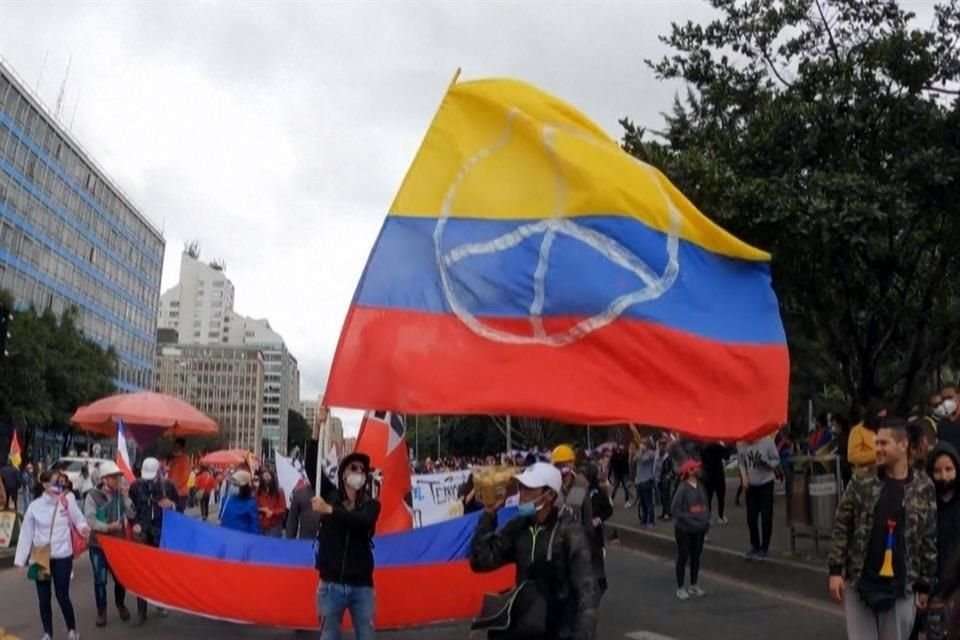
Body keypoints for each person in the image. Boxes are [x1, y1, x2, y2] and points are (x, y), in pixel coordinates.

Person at [828, 418, 938, 640]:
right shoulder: (862, 481)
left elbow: (928, 537)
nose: (877, 448)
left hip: (901, 588)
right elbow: (842, 524)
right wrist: (835, 571)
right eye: (876, 443)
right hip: (861, 584)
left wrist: (925, 584)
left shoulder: (923, 486)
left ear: (903, 444)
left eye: (883, 443)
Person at [470, 462, 597, 639]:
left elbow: (586, 592)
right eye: (521, 487)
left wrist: (583, 634)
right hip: (525, 627)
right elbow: (479, 561)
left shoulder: (569, 532)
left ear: (550, 494)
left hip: (560, 630)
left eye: (529, 488)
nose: (522, 494)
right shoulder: (517, 528)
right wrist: (489, 514)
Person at [14, 469, 91, 640]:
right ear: (44, 484)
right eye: (55, 482)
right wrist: (20, 560)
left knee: (62, 595)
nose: (59, 486)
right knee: (43, 598)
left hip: (63, 554)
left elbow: (79, 519)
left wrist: (84, 527)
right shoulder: (34, 507)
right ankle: (48, 633)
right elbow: (26, 533)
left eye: (61, 482)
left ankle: (72, 629)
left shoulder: (67, 501)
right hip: (40, 556)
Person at [311, 452, 381, 640]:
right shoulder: (330, 495)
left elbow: (362, 521)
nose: (358, 472)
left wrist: (330, 510)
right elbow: (312, 464)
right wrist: (316, 430)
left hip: (362, 586)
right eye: (353, 468)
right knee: (329, 636)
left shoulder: (371, 504)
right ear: (343, 474)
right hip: (331, 584)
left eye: (362, 470)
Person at [83, 461, 135, 627]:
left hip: (118, 543)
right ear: (104, 479)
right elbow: (90, 520)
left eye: (118, 477)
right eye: (114, 477)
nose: (118, 480)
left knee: (120, 578)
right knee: (100, 580)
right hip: (98, 545)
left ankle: (120, 604)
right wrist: (107, 527)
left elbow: (132, 514)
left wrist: (126, 497)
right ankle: (101, 610)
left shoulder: (121, 494)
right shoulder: (92, 495)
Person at [129, 457, 178, 626]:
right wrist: (134, 523)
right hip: (142, 533)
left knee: (159, 572)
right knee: (141, 573)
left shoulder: (168, 486)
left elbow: (178, 508)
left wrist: (170, 505)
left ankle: (159, 603)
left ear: (159, 472)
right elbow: (131, 508)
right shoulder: (135, 486)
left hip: (160, 534)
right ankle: (141, 612)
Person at [737, 434, 781, 560]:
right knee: (751, 517)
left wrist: (766, 464)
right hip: (751, 485)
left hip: (766, 483)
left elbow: (776, 460)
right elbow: (741, 463)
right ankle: (754, 544)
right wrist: (744, 476)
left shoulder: (767, 442)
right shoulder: (741, 444)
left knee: (766, 516)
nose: (749, 440)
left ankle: (764, 547)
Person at [672, 459, 710, 600]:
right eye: (695, 468)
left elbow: (705, 505)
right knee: (683, 556)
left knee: (696, 556)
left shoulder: (700, 486)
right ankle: (680, 587)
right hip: (684, 529)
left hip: (699, 528)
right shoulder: (682, 488)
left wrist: (705, 520)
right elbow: (675, 509)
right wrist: (689, 519)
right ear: (689, 471)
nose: (699, 470)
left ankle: (694, 584)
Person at [220, 470, 260, 534]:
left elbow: (254, 525)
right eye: (232, 483)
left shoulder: (251, 503)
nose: (232, 486)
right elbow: (222, 517)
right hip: (226, 536)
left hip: (242, 538)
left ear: (245, 486)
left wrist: (254, 541)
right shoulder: (225, 499)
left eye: (236, 484)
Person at [700, 441, 730, 525]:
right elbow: (727, 456)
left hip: (708, 475)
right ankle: (721, 516)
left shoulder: (703, 448)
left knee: (708, 498)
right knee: (721, 497)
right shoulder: (718, 446)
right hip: (718, 475)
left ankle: (709, 517)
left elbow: (700, 460)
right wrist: (726, 446)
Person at [634, 439, 657, 527]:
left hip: (647, 480)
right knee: (642, 503)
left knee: (649, 502)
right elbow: (634, 459)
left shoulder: (651, 453)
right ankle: (643, 520)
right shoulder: (639, 452)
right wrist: (639, 451)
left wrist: (641, 452)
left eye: (644, 443)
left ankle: (651, 521)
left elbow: (644, 460)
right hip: (639, 480)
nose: (642, 445)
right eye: (641, 443)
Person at [256, 469, 286, 537]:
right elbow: (254, 507)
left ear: (272, 477)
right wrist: (261, 509)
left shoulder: (279, 492)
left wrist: (272, 512)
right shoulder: (258, 492)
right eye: (263, 477)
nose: (265, 479)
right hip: (261, 525)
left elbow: (283, 509)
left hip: (274, 526)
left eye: (267, 476)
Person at [167, 438, 192, 513]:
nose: (175, 448)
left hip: (181, 493)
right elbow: (170, 475)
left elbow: (185, 476)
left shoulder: (185, 460)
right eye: (174, 446)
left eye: (177, 447)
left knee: (178, 513)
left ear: (182, 448)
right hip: (172, 492)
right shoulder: (173, 460)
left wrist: (174, 486)